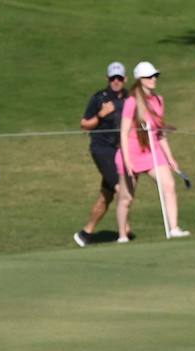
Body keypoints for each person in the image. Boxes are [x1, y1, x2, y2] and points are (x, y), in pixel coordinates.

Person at [116, 62, 190, 240]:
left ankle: (174, 228)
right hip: (131, 152)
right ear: (140, 79)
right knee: (126, 198)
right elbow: (124, 133)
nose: (153, 79)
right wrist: (127, 161)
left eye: (155, 76)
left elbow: (160, 133)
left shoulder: (158, 100)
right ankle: (122, 235)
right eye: (149, 77)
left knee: (169, 186)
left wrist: (170, 158)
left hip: (152, 152)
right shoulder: (131, 101)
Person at [74, 62, 130, 246]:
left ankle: (85, 233)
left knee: (107, 195)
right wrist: (101, 114)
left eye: (119, 78)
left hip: (119, 151)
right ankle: (125, 230)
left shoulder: (129, 99)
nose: (116, 81)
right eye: (113, 78)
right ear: (108, 79)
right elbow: (84, 124)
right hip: (101, 149)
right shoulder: (99, 98)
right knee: (121, 190)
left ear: (125, 80)